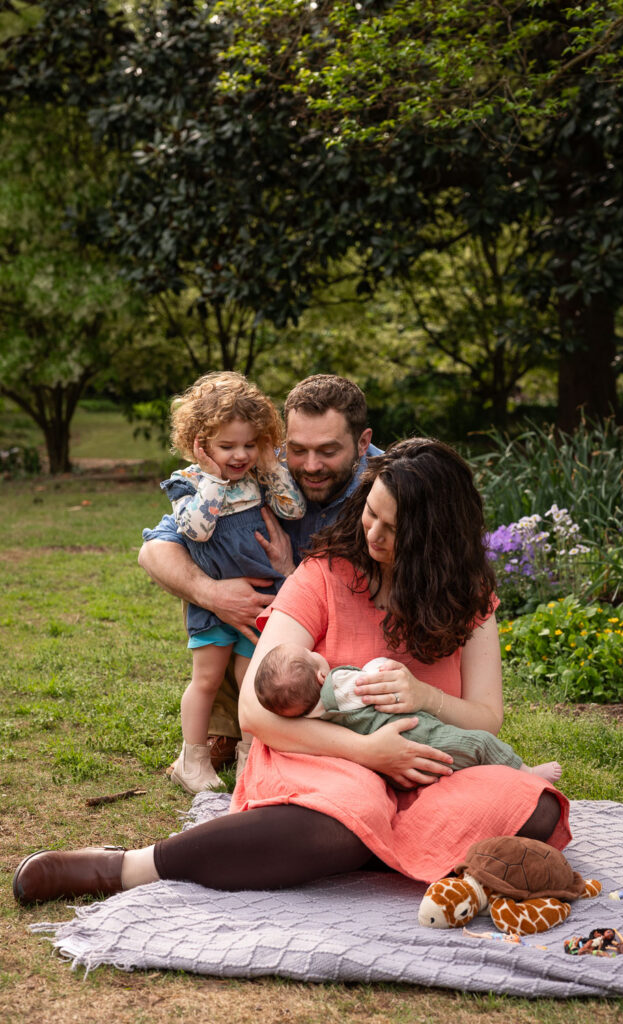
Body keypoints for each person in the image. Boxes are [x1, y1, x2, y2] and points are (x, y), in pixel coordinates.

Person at [13, 438, 570, 906]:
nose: (373, 534)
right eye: (371, 513)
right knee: (350, 809)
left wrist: (424, 694)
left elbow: (486, 719)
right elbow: (256, 710)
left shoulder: (470, 596)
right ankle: (128, 867)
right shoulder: (324, 574)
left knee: (535, 805)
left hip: (433, 772)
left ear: (435, 541)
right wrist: (369, 754)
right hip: (321, 757)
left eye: (393, 529)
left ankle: (374, 841)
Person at [139, 374, 380, 769]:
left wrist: (294, 572)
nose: (311, 465)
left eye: (328, 450)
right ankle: (225, 732)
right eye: (297, 449)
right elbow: (154, 550)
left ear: (363, 442)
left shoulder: (388, 487)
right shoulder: (255, 470)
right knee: (215, 585)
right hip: (264, 615)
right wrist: (212, 593)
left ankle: (297, 729)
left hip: (346, 629)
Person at [158, 371, 305, 794]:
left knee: (251, 678)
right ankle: (192, 758)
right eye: (227, 447)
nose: (240, 455)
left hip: (261, 597)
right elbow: (196, 530)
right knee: (206, 679)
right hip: (213, 602)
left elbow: (292, 510)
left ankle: (249, 756)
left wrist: (272, 465)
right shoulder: (188, 483)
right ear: (199, 444)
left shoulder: (258, 478)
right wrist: (215, 480)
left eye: (249, 444)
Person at [254, 643, 562, 782]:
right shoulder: (337, 686)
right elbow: (369, 677)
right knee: (479, 743)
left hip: (401, 758)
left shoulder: (311, 714)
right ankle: (527, 774)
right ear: (321, 678)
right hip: (420, 733)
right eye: (311, 656)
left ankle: (499, 778)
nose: (315, 652)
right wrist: (380, 666)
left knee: (463, 765)